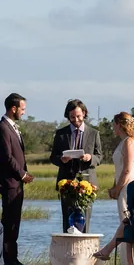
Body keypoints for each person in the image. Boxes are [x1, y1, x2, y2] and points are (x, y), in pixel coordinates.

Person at [0, 92, 34, 265]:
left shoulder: (12, 127)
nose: (24, 112)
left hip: (16, 183)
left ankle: (12, 258)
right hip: (10, 182)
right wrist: (22, 174)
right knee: (9, 222)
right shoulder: (2, 128)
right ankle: (7, 260)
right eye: (22, 109)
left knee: (14, 221)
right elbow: (6, 157)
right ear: (13, 108)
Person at [48, 98, 103, 231]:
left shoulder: (94, 133)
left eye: (78, 116)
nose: (76, 120)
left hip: (88, 183)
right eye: (72, 117)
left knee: (85, 220)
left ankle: (84, 250)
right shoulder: (61, 134)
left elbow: (100, 156)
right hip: (66, 182)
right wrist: (62, 159)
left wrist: (90, 158)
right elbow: (53, 157)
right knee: (68, 221)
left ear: (84, 113)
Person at [106, 111, 134, 265]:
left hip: (128, 186)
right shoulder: (124, 142)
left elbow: (128, 169)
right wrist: (113, 186)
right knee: (124, 220)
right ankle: (127, 263)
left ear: (119, 124)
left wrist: (118, 188)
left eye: (114, 124)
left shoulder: (129, 142)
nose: (113, 127)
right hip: (122, 185)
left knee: (127, 224)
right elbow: (119, 169)